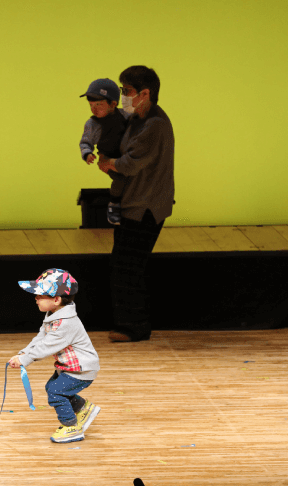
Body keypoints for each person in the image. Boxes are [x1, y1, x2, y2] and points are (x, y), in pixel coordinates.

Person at [97, 66, 175, 342]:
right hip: (134, 203)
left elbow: (129, 164)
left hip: (146, 207)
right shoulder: (136, 119)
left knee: (129, 266)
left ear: (145, 93)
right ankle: (130, 324)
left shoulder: (155, 124)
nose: (123, 96)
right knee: (125, 265)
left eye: (127, 91)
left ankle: (135, 327)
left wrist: (108, 164)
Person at [8, 268, 101, 444]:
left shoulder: (66, 323)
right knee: (53, 387)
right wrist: (24, 353)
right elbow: (41, 337)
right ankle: (84, 408)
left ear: (56, 299)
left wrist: (25, 360)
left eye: (40, 295)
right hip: (70, 367)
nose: (35, 298)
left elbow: (47, 346)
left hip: (82, 368)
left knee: (56, 391)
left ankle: (71, 427)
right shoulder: (53, 315)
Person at [79, 78, 129, 225]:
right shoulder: (93, 124)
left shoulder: (125, 115)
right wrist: (87, 154)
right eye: (91, 105)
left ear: (113, 104)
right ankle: (113, 205)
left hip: (127, 156)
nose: (94, 109)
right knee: (120, 179)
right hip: (108, 158)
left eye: (99, 104)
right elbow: (85, 142)